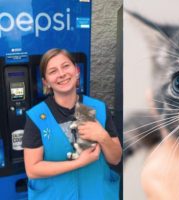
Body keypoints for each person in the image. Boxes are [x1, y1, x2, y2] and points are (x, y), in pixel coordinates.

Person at [22, 48, 122, 200]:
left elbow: (115, 159)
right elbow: (33, 169)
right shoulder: (37, 116)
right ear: (46, 82)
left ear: (77, 71)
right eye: (53, 71)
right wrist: (78, 163)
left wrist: (102, 136)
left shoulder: (96, 108)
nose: (61, 74)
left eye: (66, 66)